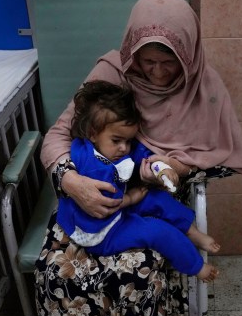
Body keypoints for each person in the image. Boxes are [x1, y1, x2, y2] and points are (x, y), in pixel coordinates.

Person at [35, 0, 242, 316]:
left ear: (187, 54)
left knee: (134, 273)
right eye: (146, 61)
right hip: (88, 196)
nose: (155, 72)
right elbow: (59, 137)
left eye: (168, 62)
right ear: (132, 49)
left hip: (149, 201)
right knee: (54, 268)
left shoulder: (202, 85)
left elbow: (206, 152)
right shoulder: (111, 71)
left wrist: (174, 166)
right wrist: (72, 181)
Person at [56, 79, 221, 282]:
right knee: (157, 231)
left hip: (116, 210)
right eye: (117, 140)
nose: (124, 148)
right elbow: (108, 203)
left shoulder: (112, 149)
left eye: (128, 140)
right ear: (92, 134)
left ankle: (191, 231)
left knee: (157, 198)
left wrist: (160, 168)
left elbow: (142, 158)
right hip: (101, 231)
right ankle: (196, 266)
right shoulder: (91, 164)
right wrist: (132, 198)